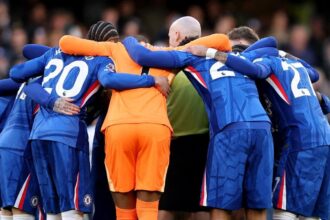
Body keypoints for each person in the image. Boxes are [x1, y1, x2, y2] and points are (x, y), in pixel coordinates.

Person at [58, 21, 231, 220]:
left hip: (119, 127)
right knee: (149, 205)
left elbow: (66, 42)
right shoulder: (170, 54)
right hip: (154, 128)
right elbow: (223, 40)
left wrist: (127, 43)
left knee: (123, 203)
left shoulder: (115, 48)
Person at [9, 21, 170, 220]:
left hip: (38, 135)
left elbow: (17, 74)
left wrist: (51, 101)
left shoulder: (55, 53)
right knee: (72, 206)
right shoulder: (103, 61)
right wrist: (150, 80)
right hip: (67, 134)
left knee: (52, 209)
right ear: (108, 43)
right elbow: (109, 80)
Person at [122, 26, 275, 220]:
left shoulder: (193, 56)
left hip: (228, 128)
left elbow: (143, 57)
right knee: (257, 205)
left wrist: (128, 41)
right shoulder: (247, 59)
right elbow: (271, 42)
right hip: (262, 128)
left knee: (221, 204)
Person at [190, 35, 330, 220]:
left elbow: (255, 69)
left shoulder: (262, 65)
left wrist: (212, 54)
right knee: (312, 211)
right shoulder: (293, 67)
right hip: (319, 137)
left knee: (283, 208)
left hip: (296, 142)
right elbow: (320, 89)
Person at [159, 16, 210, 220]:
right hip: (205, 142)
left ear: (177, 35)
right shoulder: (209, 61)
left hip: (174, 143)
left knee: (166, 205)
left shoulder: (167, 61)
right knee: (200, 207)